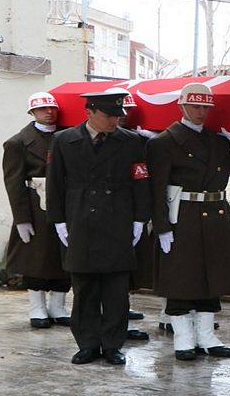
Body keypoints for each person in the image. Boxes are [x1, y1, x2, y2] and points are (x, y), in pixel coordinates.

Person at [146, 82, 230, 361]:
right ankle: (184, 336)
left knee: (213, 277)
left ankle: (206, 335)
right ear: (182, 106)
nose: (200, 112)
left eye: (205, 107)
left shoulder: (218, 140)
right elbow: (156, 188)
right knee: (181, 277)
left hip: (216, 213)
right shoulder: (163, 142)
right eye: (195, 106)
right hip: (183, 215)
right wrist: (161, 226)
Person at [46, 89, 151, 365]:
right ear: (89, 111)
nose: (115, 120)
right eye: (109, 115)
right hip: (80, 217)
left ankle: (113, 344)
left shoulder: (131, 141)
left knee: (117, 289)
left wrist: (140, 218)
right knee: (85, 288)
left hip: (118, 217)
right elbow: (55, 183)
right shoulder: (63, 140)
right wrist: (58, 220)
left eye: (119, 115)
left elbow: (140, 180)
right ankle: (88, 343)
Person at [3, 92, 70, 329]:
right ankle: (37, 306)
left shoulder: (68, 136)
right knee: (37, 257)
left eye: (52, 108)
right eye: (42, 109)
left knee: (65, 254)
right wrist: (21, 218)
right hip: (35, 205)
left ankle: (59, 305)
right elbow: (13, 182)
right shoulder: (18, 143)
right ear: (32, 112)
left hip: (66, 202)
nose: (49, 112)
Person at [117, 88, 154, 342]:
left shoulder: (138, 140)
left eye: (127, 110)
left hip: (132, 210)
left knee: (127, 265)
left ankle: (121, 309)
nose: (122, 116)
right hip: (106, 212)